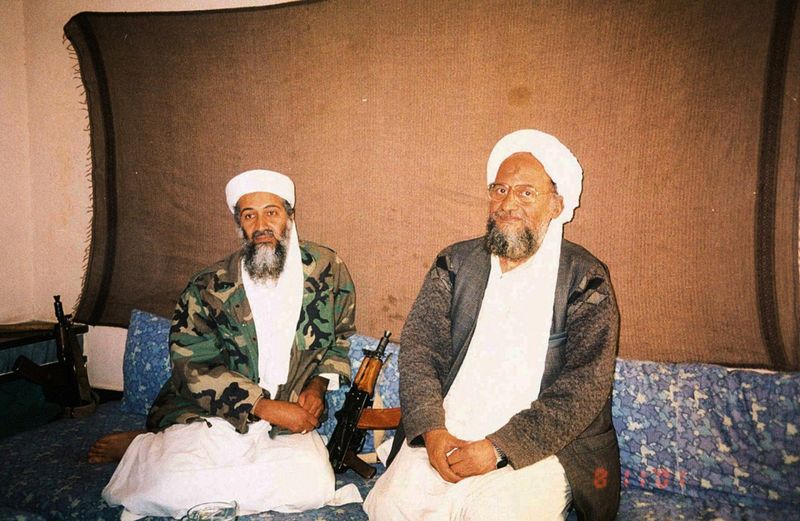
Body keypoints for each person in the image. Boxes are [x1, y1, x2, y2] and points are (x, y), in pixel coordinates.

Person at [364, 130, 621, 521]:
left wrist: (499, 448)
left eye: (526, 193)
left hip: (541, 446)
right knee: (390, 508)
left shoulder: (586, 278)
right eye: (500, 190)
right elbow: (420, 352)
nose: (508, 203)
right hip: (450, 429)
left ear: (557, 204)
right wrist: (432, 430)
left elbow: (585, 386)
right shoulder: (454, 263)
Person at [92, 169, 360, 519]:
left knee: (314, 485)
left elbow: (339, 338)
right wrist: (262, 406)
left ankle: (168, 454)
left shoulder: (327, 270)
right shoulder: (208, 286)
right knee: (167, 487)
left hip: (289, 420)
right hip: (212, 414)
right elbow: (191, 365)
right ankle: (146, 449)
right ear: (239, 225)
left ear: (290, 217)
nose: (261, 226)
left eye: (272, 212)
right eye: (249, 216)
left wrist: (318, 385)